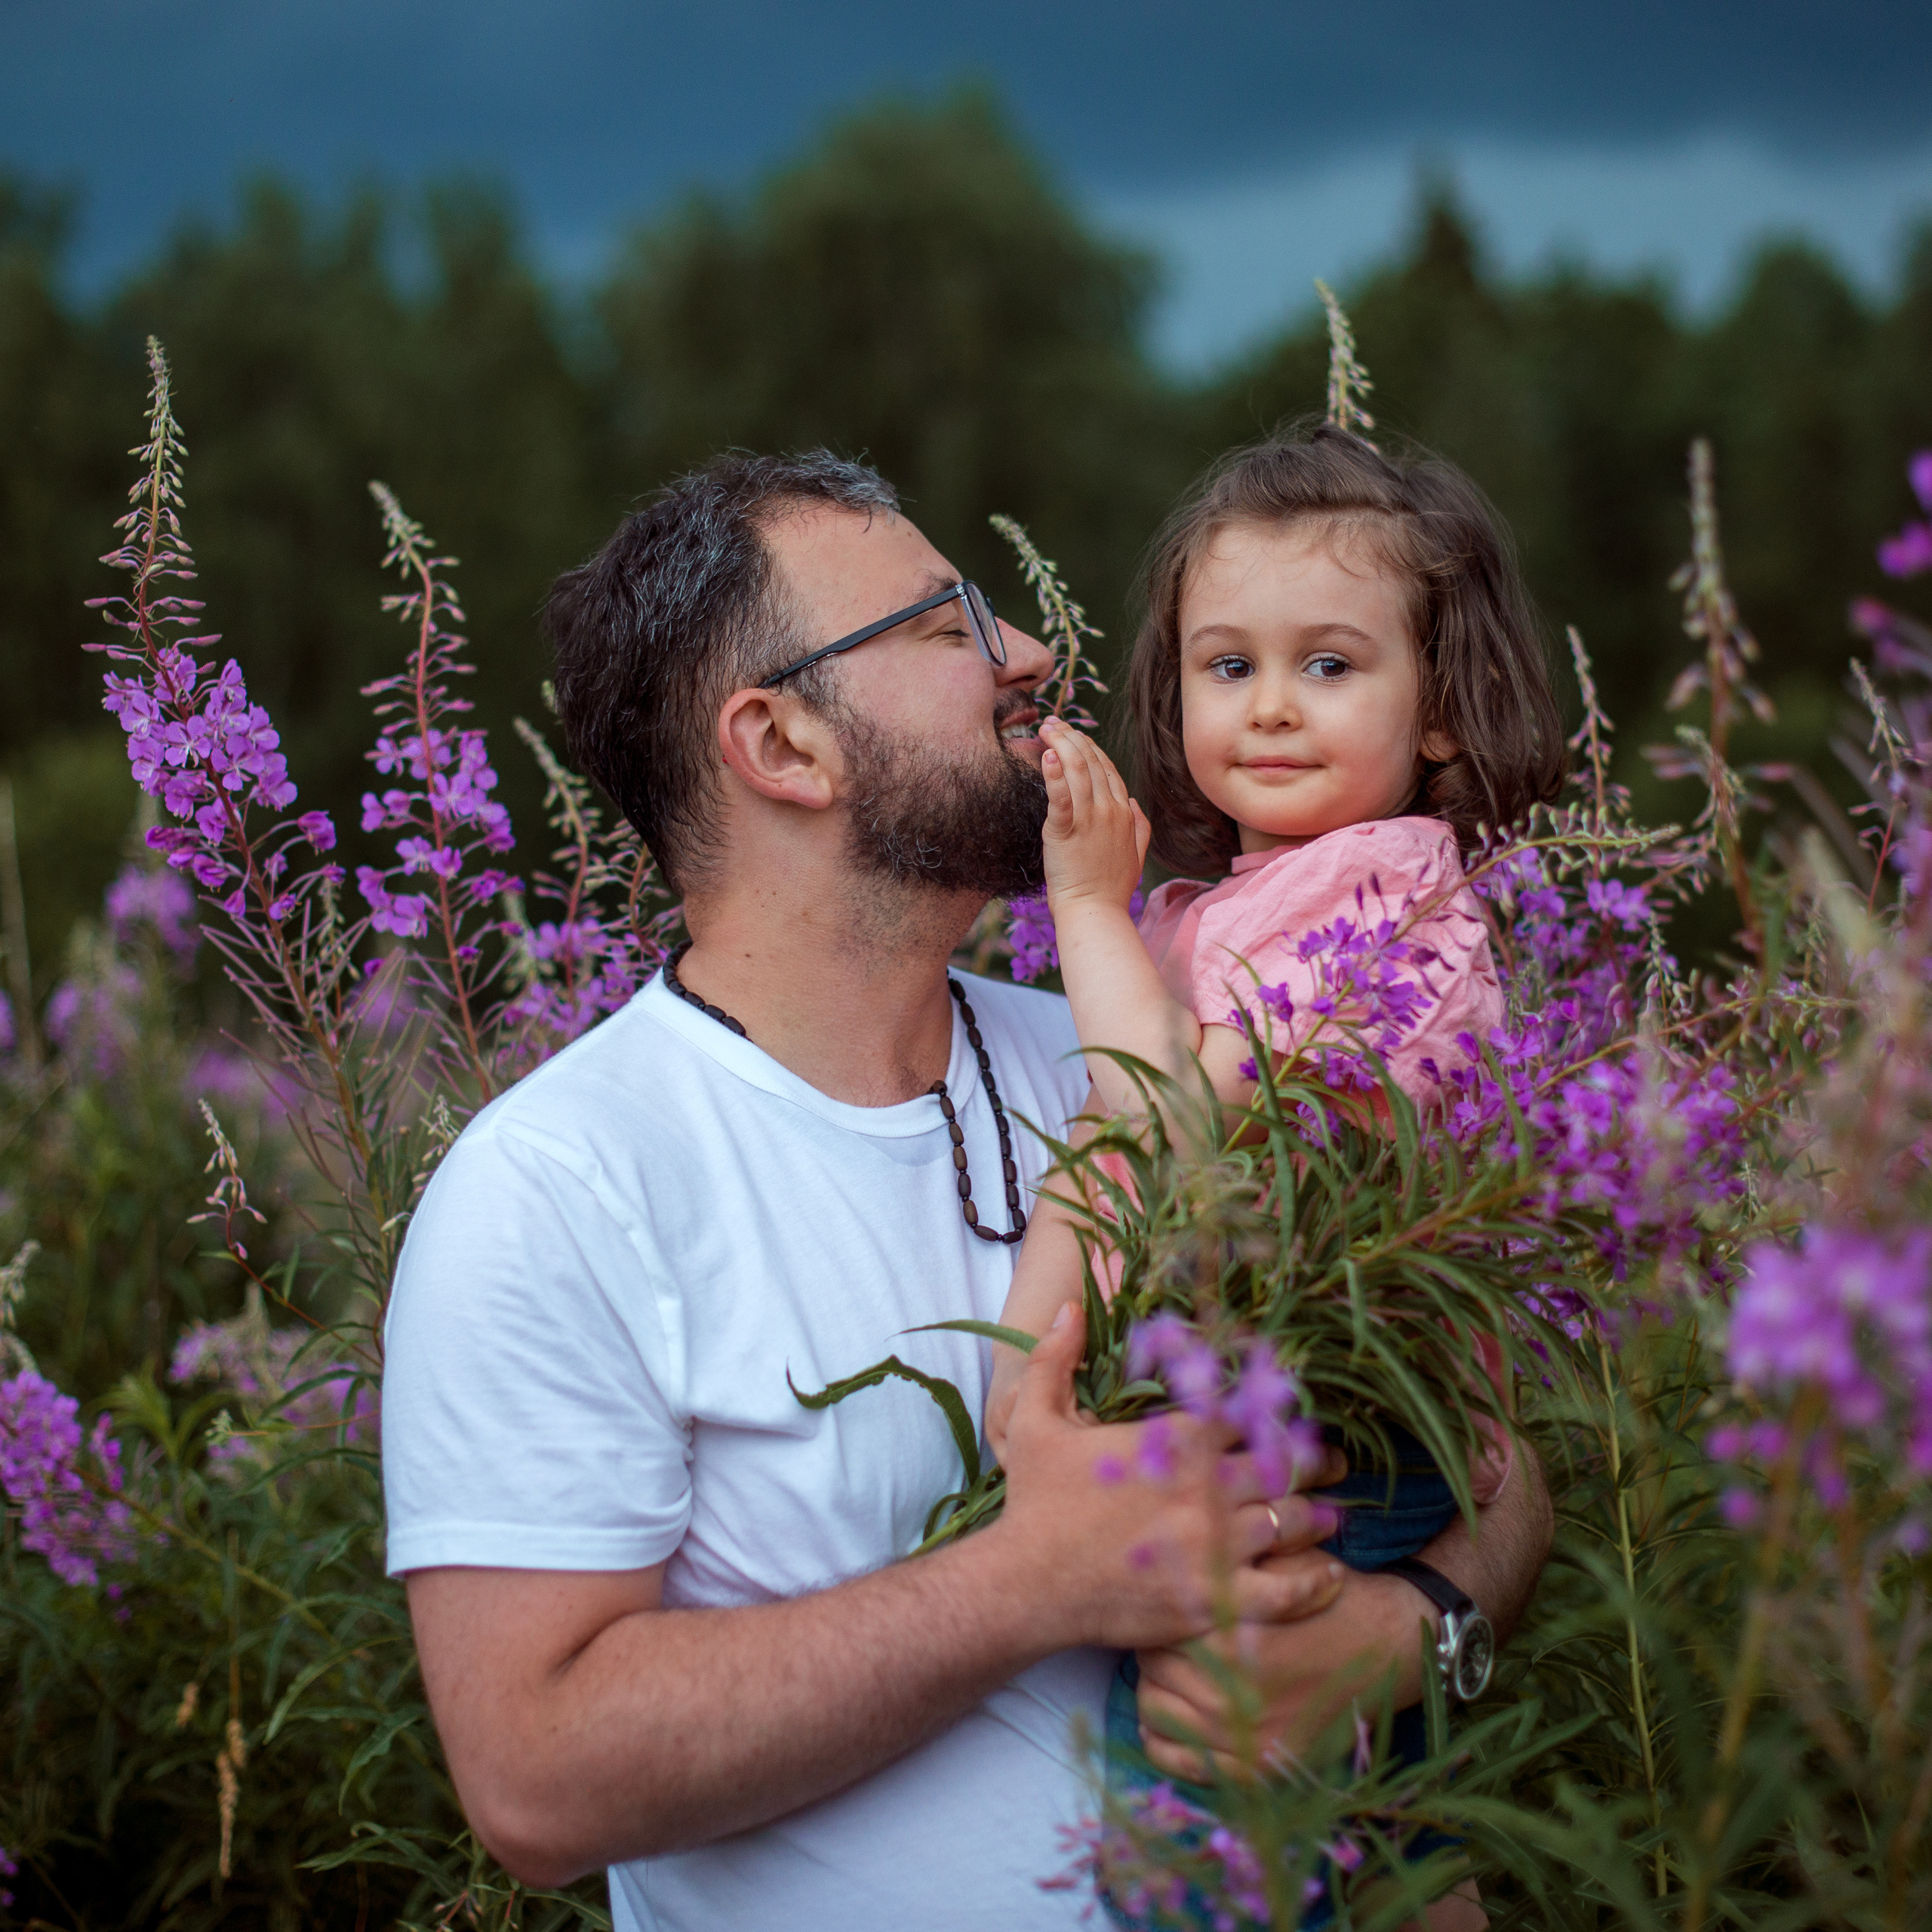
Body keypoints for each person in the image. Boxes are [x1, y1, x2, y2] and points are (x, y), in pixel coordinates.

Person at [383, 449, 1555, 1932]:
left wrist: (1414, 1629)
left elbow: (1494, 1450)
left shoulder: (1136, 1049)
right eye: (947, 627)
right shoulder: (557, 1185)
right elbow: (537, 1778)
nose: (1032, 651)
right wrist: (1031, 1580)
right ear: (785, 744)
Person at [986, 425, 1567, 1928]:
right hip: (1273, 1403)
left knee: (1197, 1809)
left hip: (1324, 1423)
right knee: (1366, 1816)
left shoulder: (1379, 898)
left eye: (1327, 664)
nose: (1267, 707)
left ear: (1437, 712)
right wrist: (1022, 1380)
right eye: (1224, 664)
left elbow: (1164, 1135)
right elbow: (1094, 1167)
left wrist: (1083, 910)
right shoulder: (1244, 908)